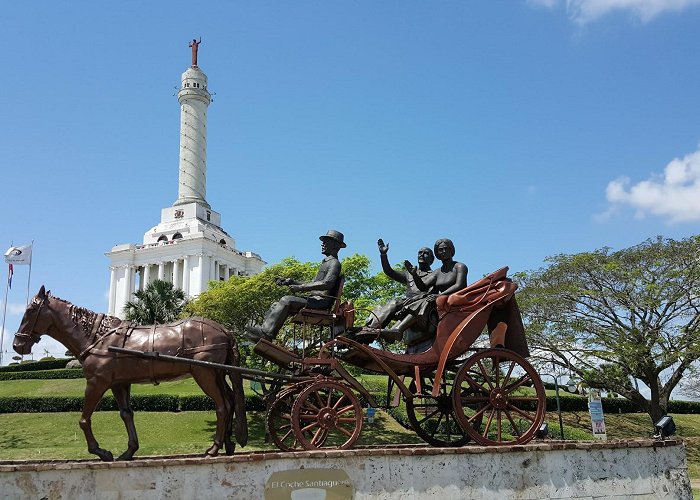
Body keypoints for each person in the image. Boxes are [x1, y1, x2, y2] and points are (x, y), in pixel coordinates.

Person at [244, 230, 346, 342]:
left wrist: (301, 288)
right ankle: (264, 330)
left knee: (286, 300)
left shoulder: (334, 263)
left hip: (321, 302)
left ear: (336, 245)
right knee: (275, 305)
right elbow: (312, 283)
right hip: (314, 299)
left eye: (326, 242)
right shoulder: (326, 262)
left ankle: (267, 334)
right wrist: (291, 281)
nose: (322, 244)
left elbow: (327, 283)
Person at [387, 238, 467, 345]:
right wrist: (414, 274)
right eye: (440, 250)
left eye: (445, 249)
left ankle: (398, 329)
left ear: (451, 250)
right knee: (425, 297)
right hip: (442, 302)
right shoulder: (438, 272)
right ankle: (394, 330)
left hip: (455, 300)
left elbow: (460, 285)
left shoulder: (459, 266)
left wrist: (439, 295)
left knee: (427, 298)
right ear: (437, 253)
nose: (443, 252)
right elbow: (423, 286)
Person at [365, 239, 435, 330]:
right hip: (404, 303)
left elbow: (430, 294)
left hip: (418, 305)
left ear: (432, 259)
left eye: (426, 253)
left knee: (393, 303)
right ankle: (368, 330)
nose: (422, 254)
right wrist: (383, 255)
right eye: (420, 252)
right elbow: (389, 272)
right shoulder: (408, 274)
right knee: (379, 307)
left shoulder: (433, 275)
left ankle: (371, 330)